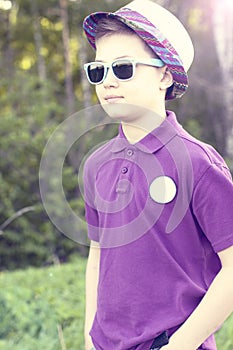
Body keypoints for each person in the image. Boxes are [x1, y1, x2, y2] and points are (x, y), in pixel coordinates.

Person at [82, 1, 233, 349]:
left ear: (164, 74)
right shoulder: (96, 164)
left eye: (123, 69)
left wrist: (179, 345)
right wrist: (89, 337)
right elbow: (98, 255)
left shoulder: (198, 163)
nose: (107, 82)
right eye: (97, 71)